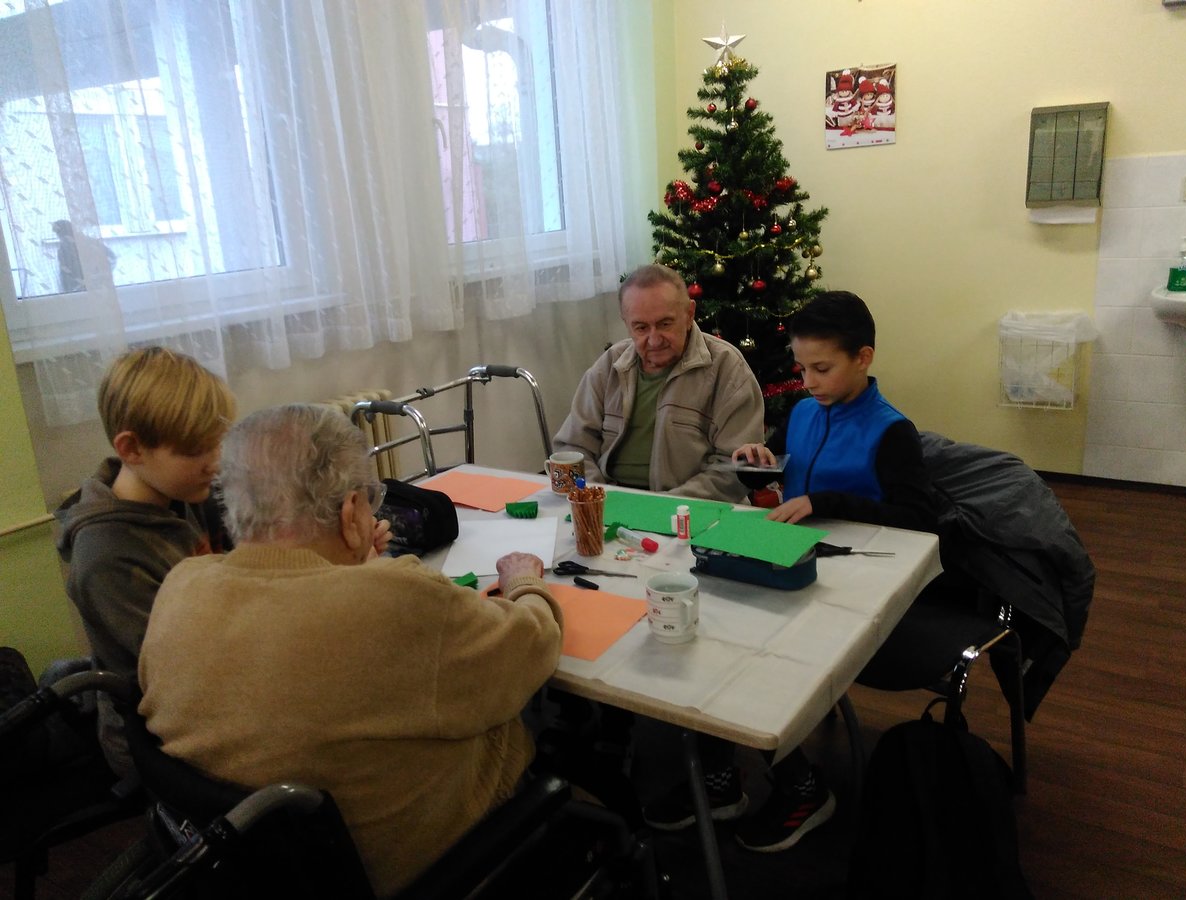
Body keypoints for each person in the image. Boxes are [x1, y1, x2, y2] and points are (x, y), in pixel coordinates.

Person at [136, 404, 564, 896]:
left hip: (242, 872)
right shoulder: (394, 599)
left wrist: (353, 571)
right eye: (371, 502)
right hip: (425, 867)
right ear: (351, 513)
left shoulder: (180, 587)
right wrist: (525, 582)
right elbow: (536, 644)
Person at [643, 290, 936, 853]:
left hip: (854, 575)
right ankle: (721, 772)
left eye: (821, 368)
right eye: (802, 368)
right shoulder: (803, 412)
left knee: (758, 655)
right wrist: (758, 461)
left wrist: (827, 501)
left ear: (864, 358)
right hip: (792, 559)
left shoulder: (890, 431)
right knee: (713, 628)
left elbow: (920, 519)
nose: (808, 381)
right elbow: (779, 467)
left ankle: (801, 784)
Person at [56, 346, 236, 780]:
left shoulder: (183, 493)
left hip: (210, 684)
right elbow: (180, 671)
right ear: (132, 449)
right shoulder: (106, 558)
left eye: (217, 444)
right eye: (196, 451)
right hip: (151, 738)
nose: (215, 463)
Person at [552, 263, 765, 505]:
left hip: (693, 511)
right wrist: (600, 498)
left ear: (689, 315)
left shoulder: (727, 368)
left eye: (665, 324)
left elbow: (735, 469)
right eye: (641, 328)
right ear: (626, 323)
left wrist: (660, 507)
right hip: (609, 503)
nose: (654, 340)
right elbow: (572, 447)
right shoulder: (610, 366)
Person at [52, 219, 115, 292]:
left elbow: (111, 259)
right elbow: (64, 274)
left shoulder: (91, 243)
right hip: (76, 291)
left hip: (97, 289)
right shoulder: (62, 250)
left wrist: (98, 276)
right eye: (59, 235)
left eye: (60, 234)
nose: (60, 238)